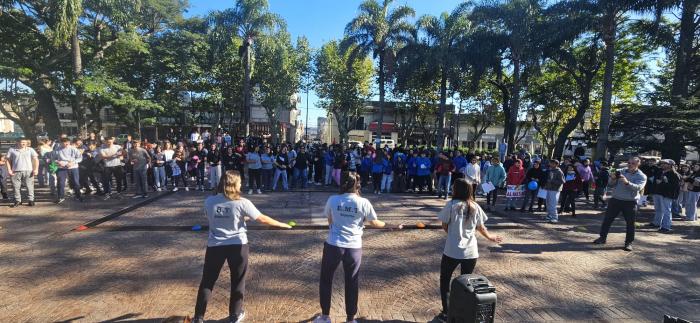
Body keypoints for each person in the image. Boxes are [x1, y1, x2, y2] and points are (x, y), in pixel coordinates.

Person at [192, 170, 291, 323]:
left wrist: (238, 216)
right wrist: (281, 224)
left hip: (215, 246)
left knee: (207, 281)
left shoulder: (209, 201)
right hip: (237, 246)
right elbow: (262, 219)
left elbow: (215, 217)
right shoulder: (242, 202)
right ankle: (234, 316)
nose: (241, 184)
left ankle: (198, 318)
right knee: (238, 281)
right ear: (233, 184)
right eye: (239, 182)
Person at [313, 172, 399, 323]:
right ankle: (350, 319)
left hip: (333, 245)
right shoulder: (363, 202)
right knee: (352, 282)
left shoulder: (333, 200)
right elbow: (374, 222)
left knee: (326, 280)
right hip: (353, 247)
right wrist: (391, 225)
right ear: (357, 185)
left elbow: (330, 220)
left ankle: (325, 317)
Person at [436, 179, 503, 321]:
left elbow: (444, 225)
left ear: (456, 190)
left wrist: (453, 235)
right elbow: (481, 227)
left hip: (452, 250)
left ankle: (447, 312)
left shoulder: (451, 205)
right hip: (471, 251)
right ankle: (464, 312)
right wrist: (490, 237)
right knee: (466, 285)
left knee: (445, 281)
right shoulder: (475, 206)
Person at [594, 157, 647, 251]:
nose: (630, 164)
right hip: (616, 199)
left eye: (633, 163)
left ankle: (628, 243)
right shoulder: (620, 171)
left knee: (630, 223)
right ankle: (602, 238)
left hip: (630, 202)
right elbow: (610, 184)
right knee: (607, 220)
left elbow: (638, 188)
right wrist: (613, 178)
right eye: (629, 162)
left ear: (638, 164)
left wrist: (627, 182)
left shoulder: (641, 176)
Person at [649, 159, 680, 233]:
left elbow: (674, 187)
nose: (663, 164)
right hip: (658, 193)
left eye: (665, 163)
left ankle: (666, 226)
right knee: (658, 209)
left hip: (667, 195)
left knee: (666, 211)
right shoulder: (660, 171)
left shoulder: (674, 174)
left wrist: (663, 183)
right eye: (662, 163)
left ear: (670, 165)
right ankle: (657, 223)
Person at [6, 138, 39, 207]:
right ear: (17, 142)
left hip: (28, 170)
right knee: (16, 187)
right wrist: (9, 170)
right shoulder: (12, 149)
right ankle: (18, 200)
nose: (23, 144)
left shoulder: (30, 149)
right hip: (15, 171)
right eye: (21, 142)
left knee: (29, 186)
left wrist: (36, 169)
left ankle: (31, 200)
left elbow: (36, 160)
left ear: (27, 143)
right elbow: (8, 160)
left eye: (25, 142)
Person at [53, 138, 83, 204]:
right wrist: (58, 162)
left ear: (69, 142)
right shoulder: (57, 149)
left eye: (67, 142)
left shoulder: (73, 149)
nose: (66, 144)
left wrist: (73, 162)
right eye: (64, 143)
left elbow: (80, 158)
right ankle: (60, 197)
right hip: (61, 167)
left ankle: (78, 195)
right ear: (61, 143)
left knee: (76, 182)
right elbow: (54, 158)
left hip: (73, 167)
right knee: (60, 182)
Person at [543, 159, 565, 224]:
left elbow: (562, 181)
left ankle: (555, 217)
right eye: (550, 163)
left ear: (556, 164)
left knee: (553, 204)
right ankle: (549, 216)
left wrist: (552, 181)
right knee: (548, 203)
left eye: (552, 163)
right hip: (549, 189)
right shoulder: (550, 170)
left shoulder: (559, 171)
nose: (550, 164)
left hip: (555, 190)